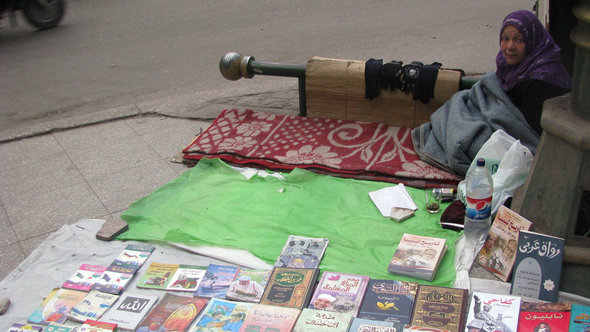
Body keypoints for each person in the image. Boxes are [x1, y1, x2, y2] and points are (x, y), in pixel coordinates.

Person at [412, 10, 571, 177]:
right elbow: (495, 94)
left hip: (528, 140)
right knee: (460, 102)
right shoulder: (512, 65)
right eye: (505, 39)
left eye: (519, 40)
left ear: (532, 41)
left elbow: (525, 131)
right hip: (509, 124)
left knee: (470, 138)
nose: (510, 47)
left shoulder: (542, 79)